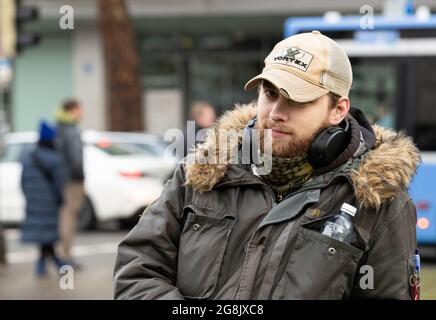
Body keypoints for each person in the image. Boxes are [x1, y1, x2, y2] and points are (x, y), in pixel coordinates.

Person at [113, 31, 420, 299]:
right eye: (270, 93)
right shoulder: (202, 173)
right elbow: (136, 271)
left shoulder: (378, 204)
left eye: (298, 100)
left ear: (338, 109)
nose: (276, 112)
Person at [21, 121, 66, 277]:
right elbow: (59, 184)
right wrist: (60, 200)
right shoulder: (54, 158)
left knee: (44, 236)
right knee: (48, 234)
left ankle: (49, 264)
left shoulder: (28, 156)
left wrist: (29, 198)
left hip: (33, 202)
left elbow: (22, 181)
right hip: (49, 204)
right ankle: (52, 264)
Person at [55, 99, 85, 265]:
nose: (82, 113)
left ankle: (63, 253)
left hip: (62, 178)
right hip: (72, 180)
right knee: (69, 216)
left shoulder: (59, 127)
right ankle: (66, 255)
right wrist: (81, 177)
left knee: (64, 215)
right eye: (80, 109)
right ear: (73, 110)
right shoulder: (72, 130)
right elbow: (76, 159)